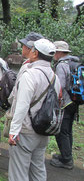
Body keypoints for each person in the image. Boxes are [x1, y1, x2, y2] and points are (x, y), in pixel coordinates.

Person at [8, 39, 61, 181]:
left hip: (26, 130)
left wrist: (13, 130)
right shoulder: (55, 77)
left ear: (35, 53)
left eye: (32, 49)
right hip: (44, 129)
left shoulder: (30, 75)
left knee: (19, 172)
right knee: (38, 169)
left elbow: (22, 105)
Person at [50, 41, 80, 170]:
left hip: (65, 103)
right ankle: (65, 156)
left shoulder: (62, 65)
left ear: (60, 52)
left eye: (55, 51)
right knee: (67, 131)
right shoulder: (74, 63)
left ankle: (67, 160)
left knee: (62, 131)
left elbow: (60, 85)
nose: (54, 54)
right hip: (74, 102)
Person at [8, 32, 44, 105]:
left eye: (23, 45)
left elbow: (18, 92)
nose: (22, 47)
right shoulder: (45, 66)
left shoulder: (27, 66)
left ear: (29, 48)